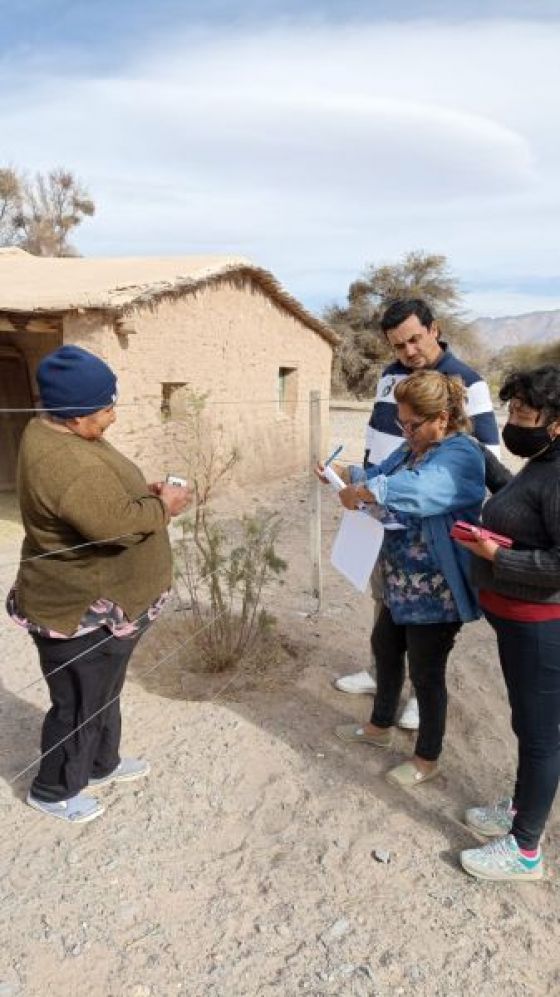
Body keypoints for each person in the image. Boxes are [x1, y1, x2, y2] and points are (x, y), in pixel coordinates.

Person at [6, 345, 192, 823]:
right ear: (70, 416)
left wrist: (139, 495)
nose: (112, 416)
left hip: (106, 610)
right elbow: (116, 528)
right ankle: (52, 790)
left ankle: (101, 765)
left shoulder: (62, 435)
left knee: (102, 693)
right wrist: (162, 506)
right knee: (78, 703)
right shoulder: (65, 464)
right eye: (105, 408)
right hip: (81, 613)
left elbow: (102, 501)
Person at [334, 298, 500, 733]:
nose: (407, 351)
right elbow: (381, 437)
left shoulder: (468, 385)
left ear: (434, 329)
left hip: (426, 536)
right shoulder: (392, 381)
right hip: (387, 523)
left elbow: (480, 461)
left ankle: (419, 714)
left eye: (414, 339)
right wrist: (356, 475)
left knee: (425, 655)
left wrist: (376, 487)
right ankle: (381, 692)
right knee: (386, 630)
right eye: (397, 345)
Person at [324, 369, 486, 787]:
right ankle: (379, 727)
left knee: (427, 673)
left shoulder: (462, 455)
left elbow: (419, 490)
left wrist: (365, 492)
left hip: (437, 593)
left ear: (443, 419)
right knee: (384, 649)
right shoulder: (413, 447)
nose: (406, 432)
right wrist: (343, 473)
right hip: (400, 584)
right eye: (402, 423)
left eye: (413, 424)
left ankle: (427, 758)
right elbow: (384, 473)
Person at [456, 365, 560, 882]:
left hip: (542, 625)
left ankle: (525, 850)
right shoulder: (542, 462)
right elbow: (517, 500)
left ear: (556, 421)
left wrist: (494, 554)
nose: (513, 420)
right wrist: (473, 451)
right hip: (516, 620)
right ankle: (520, 811)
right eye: (511, 409)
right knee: (526, 722)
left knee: (542, 735)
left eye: (523, 412)